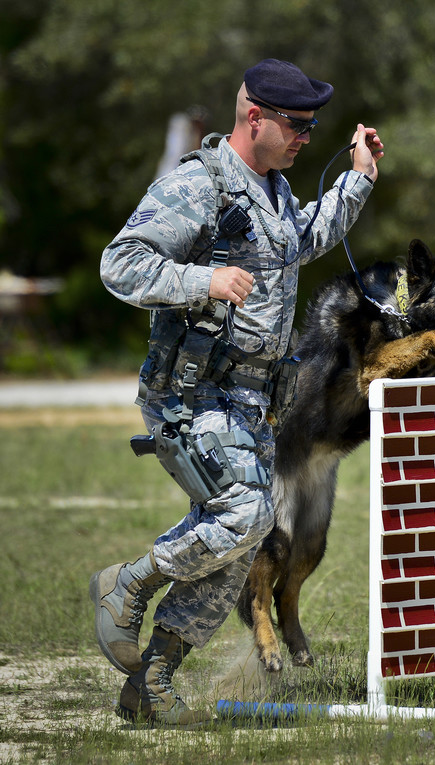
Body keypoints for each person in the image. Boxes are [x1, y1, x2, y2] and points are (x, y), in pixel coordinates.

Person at [91, 58, 384, 729]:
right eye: (297, 123)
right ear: (255, 117)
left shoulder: (276, 190)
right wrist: (205, 280)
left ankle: (152, 681)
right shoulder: (202, 184)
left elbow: (305, 238)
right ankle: (130, 579)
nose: (309, 135)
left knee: (246, 538)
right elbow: (121, 261)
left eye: (314, 124)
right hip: (193, 396)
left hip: (253, 403)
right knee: (248, 515)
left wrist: (359, 178)